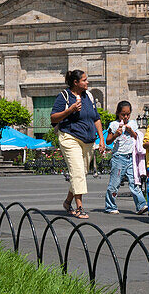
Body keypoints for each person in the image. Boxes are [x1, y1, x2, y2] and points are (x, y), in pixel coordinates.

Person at [50, 69, 103, 219]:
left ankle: (67, 202)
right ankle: (80, 207)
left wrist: (102, 139)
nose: (87, 82)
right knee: (78, 172)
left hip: (87, 140)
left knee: (80, 174)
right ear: (75, 82)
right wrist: (70, 110)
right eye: (84, 80)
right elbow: (54, 118)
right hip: (69, 137)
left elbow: (96, 118)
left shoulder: (89, 96)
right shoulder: (64, 96)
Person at [104, 101, 148, 215]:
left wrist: (131, 131)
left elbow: (137, 137)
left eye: (128, 114)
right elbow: (108, 141)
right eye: (123, 114)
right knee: (115, 182)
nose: (125, 117)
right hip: (118, 157)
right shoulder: (113, 125)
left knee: (135, 182)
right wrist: (116, 135)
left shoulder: (133, 123)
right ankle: (110, 205)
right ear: (118, 113)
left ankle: (141, 205)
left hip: (131, 158)